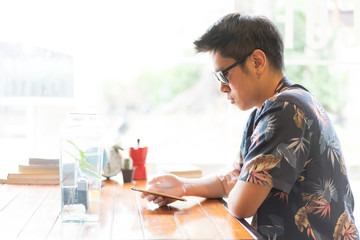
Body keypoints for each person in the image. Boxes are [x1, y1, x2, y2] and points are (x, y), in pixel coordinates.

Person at [141, 13, 359, 239]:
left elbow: (241, 205)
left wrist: (238, 185)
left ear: (257, 61)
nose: (222, 88)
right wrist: (183, 187)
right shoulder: (269, 109)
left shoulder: (285, 109)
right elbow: (235, 177)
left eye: (224, 75)